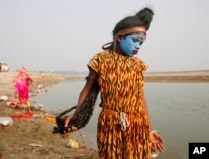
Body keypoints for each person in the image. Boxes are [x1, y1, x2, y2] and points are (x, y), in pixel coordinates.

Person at [64, 8, 165, 159]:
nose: (138, 46)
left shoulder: (138, 65)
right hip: (109, 124)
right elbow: (88, 89)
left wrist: (150, 130)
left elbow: (141, 99)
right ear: (119, 37)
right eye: (135, 41)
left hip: (137, 124)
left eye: (141, 43)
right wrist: (78, 114)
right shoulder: (101, 60)